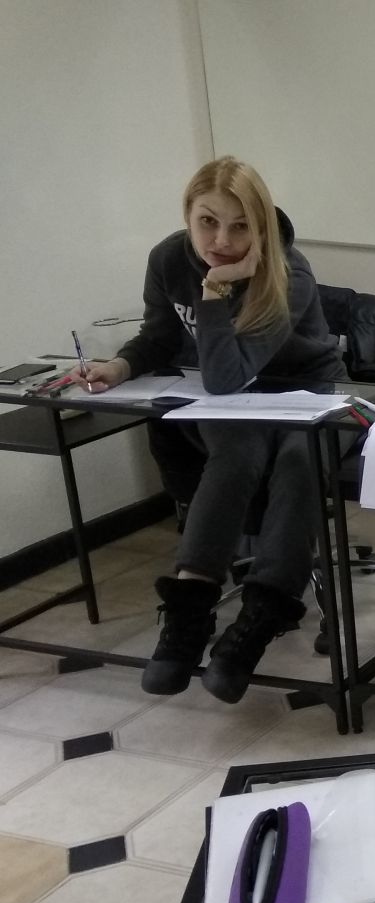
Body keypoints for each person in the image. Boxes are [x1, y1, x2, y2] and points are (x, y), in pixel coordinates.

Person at [71, 157, 344, 702]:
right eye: (208, 222)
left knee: (299, 461)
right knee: (236, 453)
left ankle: (259, 619)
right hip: (230, 400)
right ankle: (189, 613)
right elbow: (160, 336)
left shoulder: (289, 273)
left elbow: (225, 375)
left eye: (241, 226)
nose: (221, 240)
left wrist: (216, 288)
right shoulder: (168, 259)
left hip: (303, 392)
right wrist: (121, 366)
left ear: (261, 226)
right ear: (187, 216)